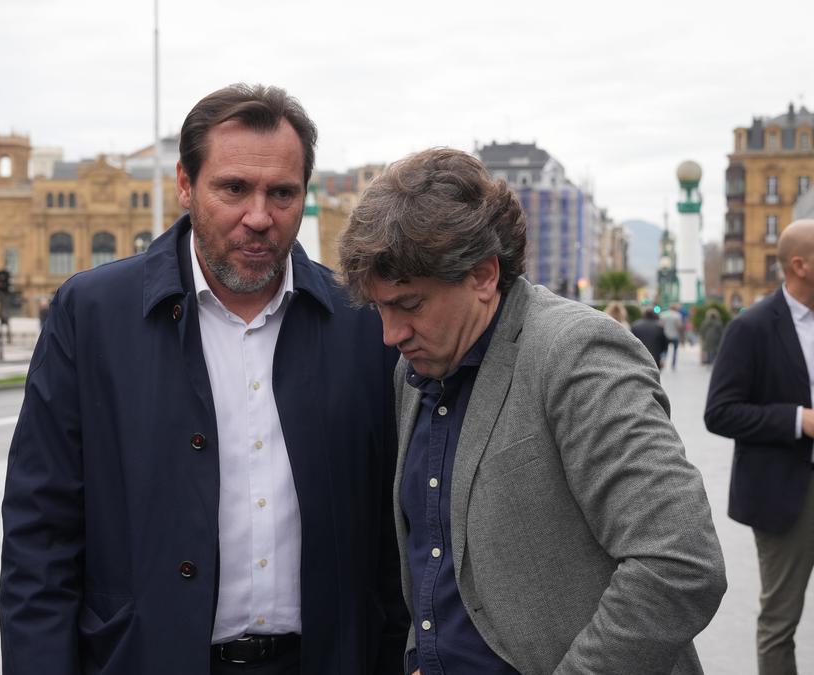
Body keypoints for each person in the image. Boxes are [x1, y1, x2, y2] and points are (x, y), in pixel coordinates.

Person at [0, 84, 408, 675]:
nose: (260, 217)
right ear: (186, 187)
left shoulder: (361, 323)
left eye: (283, 193)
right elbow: (41, 532)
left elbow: (401, 525)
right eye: (234, 188)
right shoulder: (93, 316)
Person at [338, 148, 726, 674]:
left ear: (482, 275)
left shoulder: (575, 352)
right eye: (381, 308)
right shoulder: (415, 370)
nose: (391, 334)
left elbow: (680, 562)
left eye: (409, 305)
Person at [705, 219, 814, 674]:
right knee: (780, 620)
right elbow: (720, 412)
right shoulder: (751, 327)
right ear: (800, 265)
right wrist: (798, 420)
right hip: (787, 497)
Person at [660, 303, 684, 369]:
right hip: (675, 335)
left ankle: (663, 362)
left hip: (665, 335)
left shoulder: (663, 314)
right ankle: (673, 365)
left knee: (665, 350)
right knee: (675, 351)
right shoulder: (677, 315)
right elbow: (679, 326)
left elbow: (661, 325)